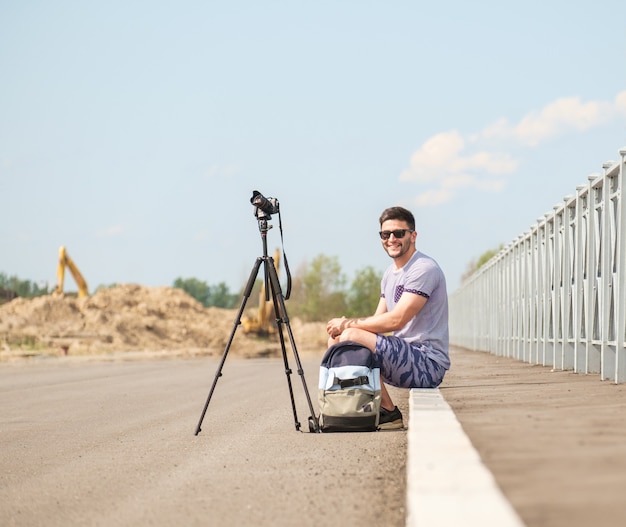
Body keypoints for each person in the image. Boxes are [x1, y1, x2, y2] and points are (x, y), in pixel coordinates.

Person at [326, 206, 450, 430]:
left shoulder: (424, 268)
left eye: (398, 233)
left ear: (413, 235)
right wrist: (344, 329)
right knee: (338, 341)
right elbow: (377, 322)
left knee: (350, 333)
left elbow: (396, 321)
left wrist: (348, 325)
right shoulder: (389, 274)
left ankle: (389, 412)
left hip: (427, 363)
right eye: (385, 234)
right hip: (403, 356)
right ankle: (352, 408)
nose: (391, 239)